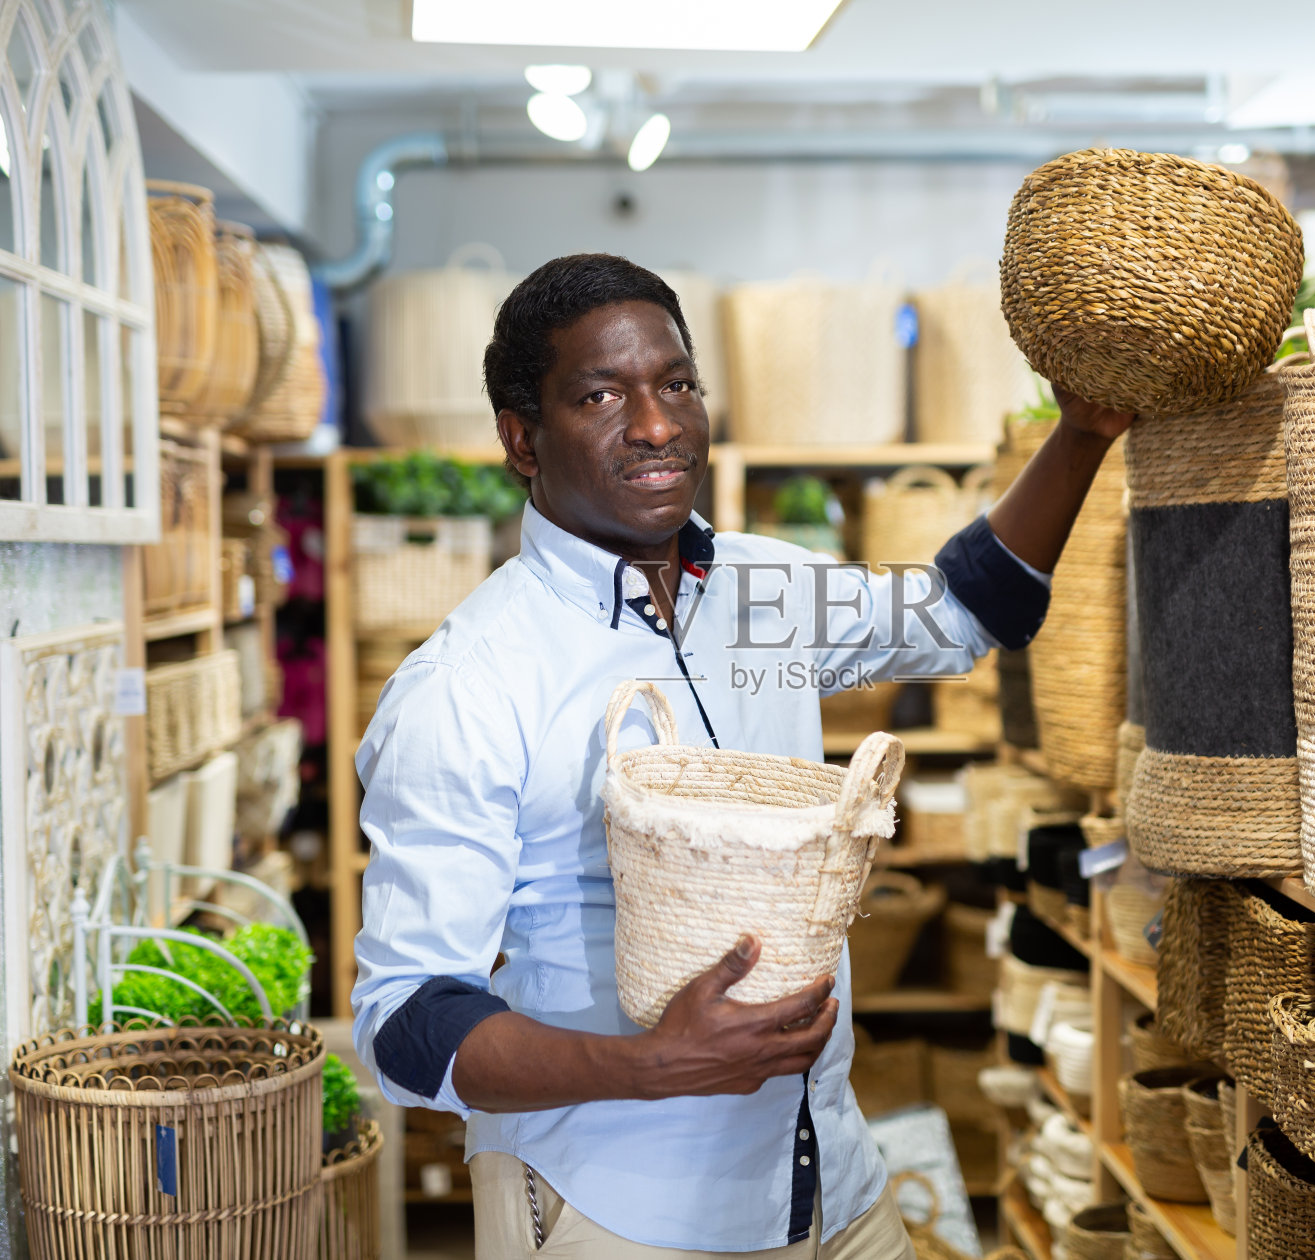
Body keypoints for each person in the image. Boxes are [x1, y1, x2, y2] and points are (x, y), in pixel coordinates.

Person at [351, 253, 1131, 1258]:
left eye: (675, 383)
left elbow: (964, 611)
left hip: (830, 1182)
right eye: (601, 395)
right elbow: (407, 1023)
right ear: (521, 438)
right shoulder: (470, 683)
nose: (657, 424)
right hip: (622, 1208)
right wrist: (653, 1063)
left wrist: (1082, 432)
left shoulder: (765, 590)